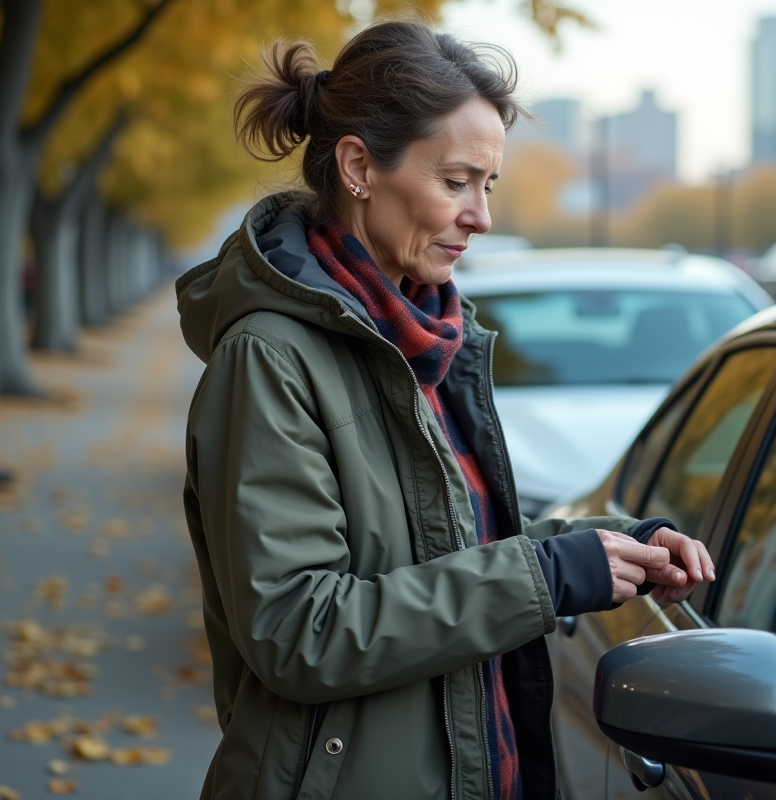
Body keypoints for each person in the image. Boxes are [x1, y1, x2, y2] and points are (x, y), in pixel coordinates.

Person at [176, 20, 714, 800]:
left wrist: (606, 549)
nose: (481, 216)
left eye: (487, 186)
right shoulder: (270, 358)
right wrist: (546, 575)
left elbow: (447, 550)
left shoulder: (426, 339)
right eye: (456, 181)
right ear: (359, 167)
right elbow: (299, 630)